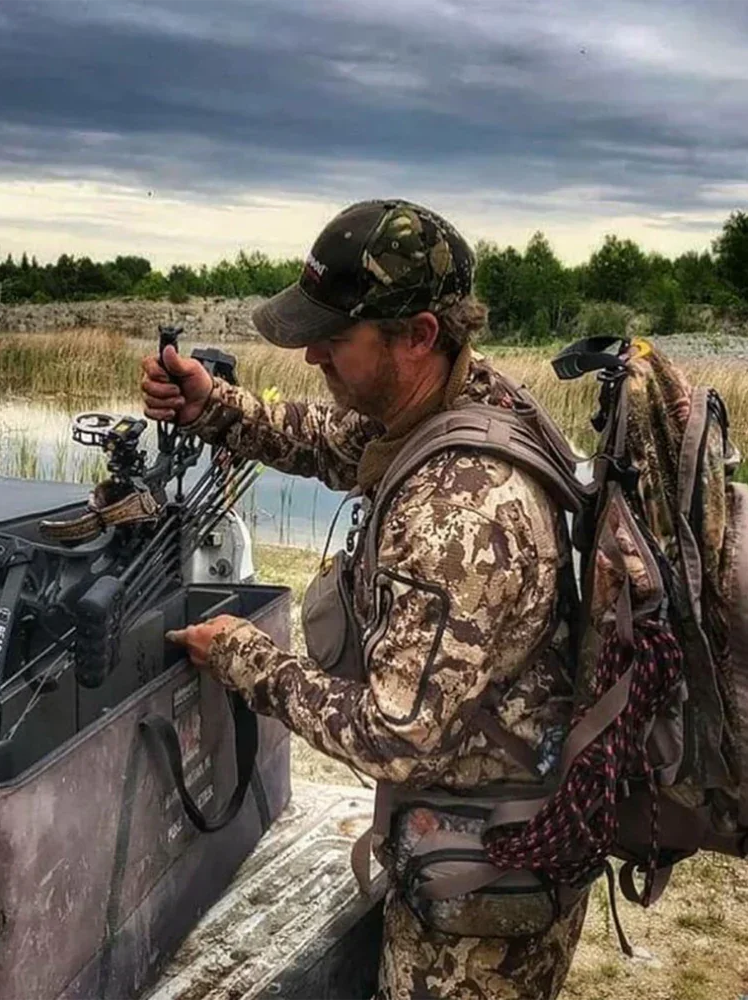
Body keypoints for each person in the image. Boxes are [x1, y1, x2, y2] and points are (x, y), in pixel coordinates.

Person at [142, 199, 588, 1000]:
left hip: (486, 878)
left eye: (335, 337)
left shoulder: (458, 514)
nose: (312, 352)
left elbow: (394, 735)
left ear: (418, 333)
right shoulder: (456, 398)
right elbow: (328, 440)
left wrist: (246, 659)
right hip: (484, 831)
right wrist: (212, 404)